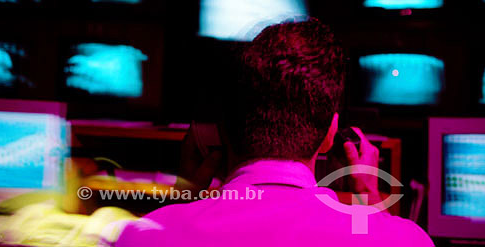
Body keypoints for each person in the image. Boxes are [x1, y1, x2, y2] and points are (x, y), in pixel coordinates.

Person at [115, 18, 434, 247]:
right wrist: (370, 193)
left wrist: (185, 196)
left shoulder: (141, 236)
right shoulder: (404, 240)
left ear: (221, 130)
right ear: (329, 134)